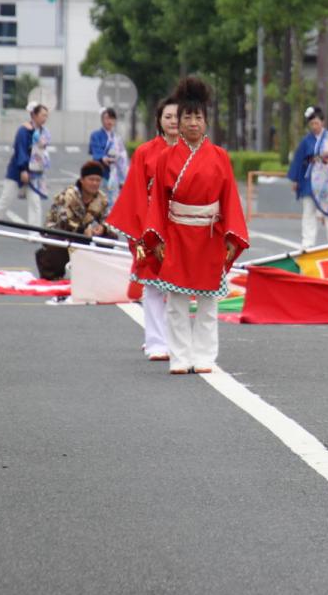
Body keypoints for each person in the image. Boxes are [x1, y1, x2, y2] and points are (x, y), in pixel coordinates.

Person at [143, 77, 249, 375]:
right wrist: (159, 236)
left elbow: (229, 198)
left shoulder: (219, 157)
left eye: (197, 117)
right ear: (178, 120)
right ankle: (179, 356)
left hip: (210, 234)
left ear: (206, 121)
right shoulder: (165, 158)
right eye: (186, 116)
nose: (192, 122)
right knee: (176, 300)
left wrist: (231, 236)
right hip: (176, 233)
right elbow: (158, 203)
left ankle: (204, 356)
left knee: (207, 299)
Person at [107, 96, 180, 361]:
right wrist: (142, 229)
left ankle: (176, 338)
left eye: (177, 116)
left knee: (179, 288)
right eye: (168, 116)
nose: (173, 121)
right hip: (151, 226)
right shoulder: (146, 152)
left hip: (183, 227)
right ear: (159, 121)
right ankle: (156, 341)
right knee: (152, 285)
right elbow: (136, 191)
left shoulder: (193, 152)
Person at [288, 106, 328, 249]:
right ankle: (307, 243)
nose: (314, 126)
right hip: (309, 180)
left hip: (327, 181)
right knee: (308, 212)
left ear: (322, 122)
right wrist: (296, 180)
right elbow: (299, 160)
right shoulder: (306, 141)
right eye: (312, 124)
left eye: (317, 123)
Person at [0, 102, 49, 228]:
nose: (45, 118)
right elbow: (20, 150)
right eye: (42, 115)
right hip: (17, 172)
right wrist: (23, 170)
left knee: (35, 203)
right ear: (34, 115)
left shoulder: (43, 132)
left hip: (34, 173)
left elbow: (42, 153)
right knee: (5, 201)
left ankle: (34, 233)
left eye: (46, 116)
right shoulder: (24, 130)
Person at [90, 107, 129, 207]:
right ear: (102, 120)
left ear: (115, 121)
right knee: (99, 202)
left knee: (113, 202)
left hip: (115, 175)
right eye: (106, 118)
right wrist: (103, 158)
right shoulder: (96, 135)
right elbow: (95, 150)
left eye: (112, 118)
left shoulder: (117, 138)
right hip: (100, 173)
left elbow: (123, 156)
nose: (109, 121)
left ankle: (109, 222)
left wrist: (123, 177)